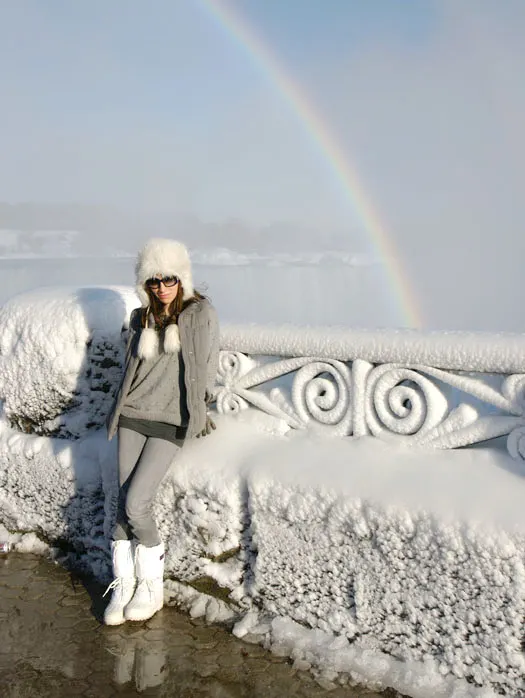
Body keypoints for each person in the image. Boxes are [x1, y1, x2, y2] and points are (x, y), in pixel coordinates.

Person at [103, 238, 220, 625]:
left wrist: (202, 406)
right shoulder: (141, 318)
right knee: (122, 505)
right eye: (154, 281)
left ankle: (152, 586)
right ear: (145, 284)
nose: (162, 287)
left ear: (181, 278)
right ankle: (124, 584)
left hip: (171, 420)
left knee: (137, 501)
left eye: (169, 279)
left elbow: (208, 361)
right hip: (133, 414)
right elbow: (130, 368)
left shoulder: (200, 313)